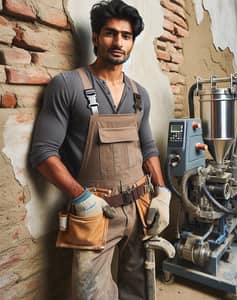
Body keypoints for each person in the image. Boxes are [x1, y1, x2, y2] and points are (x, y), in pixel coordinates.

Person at [29, 0, 171, 299]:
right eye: (110, 33)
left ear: (132, 42)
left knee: (140, 286)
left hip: (140, 206)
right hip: (95, 211)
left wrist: (163, 193)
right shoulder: (67, 86)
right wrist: (81, 197)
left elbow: (147, 148)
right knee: (90, 293)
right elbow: (43, 154)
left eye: (126, 35)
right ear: (95, 37)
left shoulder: (139, 94)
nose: (118, 42)